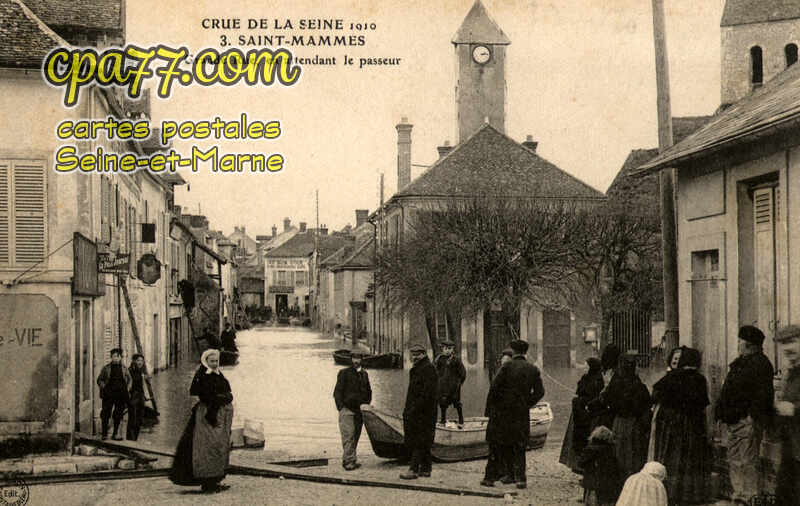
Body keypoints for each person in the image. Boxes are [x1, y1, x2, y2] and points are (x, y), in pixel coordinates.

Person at [714, 325, 775, 504]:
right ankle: (739, 494)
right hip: (734, 420)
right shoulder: (740, 363)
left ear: (749, 345)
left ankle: (749, 496)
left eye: (740, 342)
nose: (738, 345)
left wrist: (750, 417)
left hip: (746, 420)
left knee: (748, 460)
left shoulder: (760, 364)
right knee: (734, 459)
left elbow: (763, 396)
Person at [481, 339, 545, 489]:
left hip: (503, 413)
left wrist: (492, 409)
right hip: (521, 414)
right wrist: (526, 403)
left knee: (499, 444)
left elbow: (494, 389)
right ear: (525, 352)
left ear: (514, 352)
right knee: (519, 445)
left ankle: (490, 478)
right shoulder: (532, 369)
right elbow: (540, 392)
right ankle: (520, 479)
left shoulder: (506, 367)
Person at [650, 347, 710, 504]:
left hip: (673, 425)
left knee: (673, 457)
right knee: (690, 459)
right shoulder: (700, 379)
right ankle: (692, 494)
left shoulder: (672, 377)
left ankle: (672, 492)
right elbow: (703, 403)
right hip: (693, 425)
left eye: (679, 358)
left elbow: (655, 394)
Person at [170, 349, 234, 494]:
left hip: (218, 414)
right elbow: (202, 394)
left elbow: (226, 390)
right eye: (211, 361)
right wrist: (220, 399)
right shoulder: (202, 376)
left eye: (216, 361)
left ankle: (215, 479)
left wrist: (226, 398)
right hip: (207, 416)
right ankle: (207, 482)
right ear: (205, 361)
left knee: (218, 446)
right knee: (206, 448)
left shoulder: (218, 374)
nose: (214, 363)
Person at [596, 353, 651, 480]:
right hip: (635, 423)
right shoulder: (639, 385)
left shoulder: (616, 384)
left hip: (620, 422)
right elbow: (647, 403)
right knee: (634, 451)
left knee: (620, 450)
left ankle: (620, 479)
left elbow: (606, 400)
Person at [399, 344, 438, 480]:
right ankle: (426, 468)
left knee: (418, 440)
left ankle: (413, 469)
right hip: (419, 410)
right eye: (413, 355)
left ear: (424, 354)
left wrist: (413, 409)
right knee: (423, 440)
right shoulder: (417, 369)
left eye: (417, 355)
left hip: (423, 412)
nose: (414, 357)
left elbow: (427, 394)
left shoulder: (428, 369)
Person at [560, 357, 605, 475]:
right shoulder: (587, 378)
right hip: (580, 412)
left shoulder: (597, 379)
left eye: (586, 365)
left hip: (587, 413)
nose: (584, 367)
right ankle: (578, 464)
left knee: (584, 438)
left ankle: (583, 466)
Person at [774, 325, 800, 505]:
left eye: (792, 341)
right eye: (783, 343)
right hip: (791, 446)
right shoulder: (791, 371)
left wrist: (794, 409)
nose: (786, 348)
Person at [333, 350, 372, 471]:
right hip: (347, 410)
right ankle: (348, 461)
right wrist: (341, 408)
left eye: (358, 358)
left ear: (362, 360)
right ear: (351, 359)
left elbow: (369, 392)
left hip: (360, 411)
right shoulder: (344, 373)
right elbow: (337, 392)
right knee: (348, 436)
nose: (356, 361)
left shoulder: (365, 374)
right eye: (354, 358)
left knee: (356, 435)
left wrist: (366, 405)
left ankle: (351, 459)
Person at [578, 425, 622, 506]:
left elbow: (580, 463)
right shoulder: (610, 450)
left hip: (592, 481)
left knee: (592, 501)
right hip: (607, 482)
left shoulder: (590, 448)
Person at [96, 348, 132, 440]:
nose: (115, 358)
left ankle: (115, 434)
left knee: (118, 414)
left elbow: (130, 380)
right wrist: (104, 387)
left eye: (117, 356)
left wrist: (127, 388)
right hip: (109, 394)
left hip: (121, 394)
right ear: (111, 357)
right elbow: (99, 380)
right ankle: (104, 434)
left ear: (120, 357)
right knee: (106, 413)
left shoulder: (124, 368)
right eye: (113, 356)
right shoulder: (106, 368)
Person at [434, 339, 466, 426]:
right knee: (442, 403)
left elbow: (462, 372)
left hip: (453, 387)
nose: (447, 350)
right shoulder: (439, 359)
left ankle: (461, 420)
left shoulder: (456, 360)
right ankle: (443, 420)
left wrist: (459, 383)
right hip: (442, 386)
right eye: (445, 348)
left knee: (457, 403)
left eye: (449, 348)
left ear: (452, 349)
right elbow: (436, 371)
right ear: (442, 349)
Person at [126, 354, 149, 441]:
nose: (140, 362)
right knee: (132, 419)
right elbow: (130, 383)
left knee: (139, 420)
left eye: (142, 361)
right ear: (134, 361)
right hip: (133, 397)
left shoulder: (140, 371)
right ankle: (130, 440)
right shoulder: (130, 370)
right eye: (138, 360)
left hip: (140, 397)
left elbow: (141, 386)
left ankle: (134, 439)